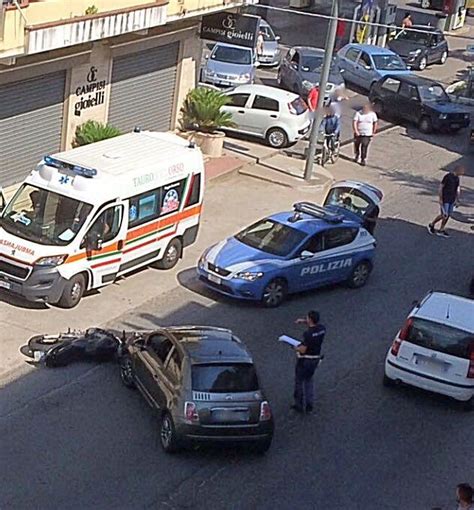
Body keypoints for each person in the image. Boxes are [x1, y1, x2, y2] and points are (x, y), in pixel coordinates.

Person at [292, 310, 326, 414]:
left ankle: (299, 404)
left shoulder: (308, 334)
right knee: (309, 380)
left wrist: (295, 347)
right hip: (315, 359)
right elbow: (314, 325)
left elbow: (303, 350)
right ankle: (309, 404)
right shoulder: (322, 329)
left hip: (305, 360)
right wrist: (303, 321)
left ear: (310, 319)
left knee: (299, 381)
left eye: (307, 318)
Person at [428, 165, 464, 238]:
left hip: (452, 200)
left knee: (448, 215)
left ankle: (441, 229)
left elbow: (457, 188)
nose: (462, 173)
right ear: (457, 170)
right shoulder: (448, 176)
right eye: (461, 171)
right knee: (444, 215)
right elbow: (441, 187)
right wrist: (440, 199)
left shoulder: (457, 178)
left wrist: (457, 199)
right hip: (445, 199)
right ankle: (432, 224)